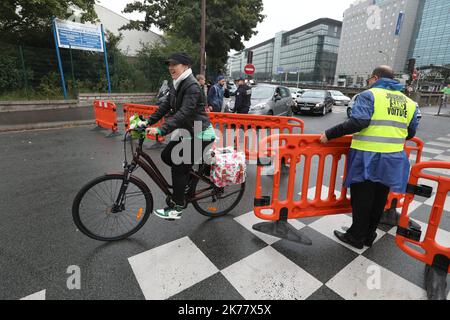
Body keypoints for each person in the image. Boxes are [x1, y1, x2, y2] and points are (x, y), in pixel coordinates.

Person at [319, 65, 419, 249]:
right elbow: (410, 132)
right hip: (393, 158)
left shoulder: (370, 95)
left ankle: (356, 236)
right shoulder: (409, 103)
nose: (368, 84)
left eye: (368, 81)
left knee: (362, 199)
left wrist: (329, 133)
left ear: (374, 78)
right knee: (379, 198)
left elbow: (359, 121)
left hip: (367, 156)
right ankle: (368, 235)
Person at [146, 52, 216, 220]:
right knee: (166, 155)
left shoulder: (191, 85)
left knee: (178, 166)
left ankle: (177, 207)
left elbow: (184, 112)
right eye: (169, 65)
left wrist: (162, 130)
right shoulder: (177, 84)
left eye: (174, 64)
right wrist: (147, 121)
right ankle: (187, 181)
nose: (171, 67)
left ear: (185, 66)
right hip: (188, 132)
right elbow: (165, 106)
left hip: (201, 133)